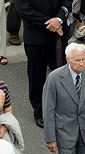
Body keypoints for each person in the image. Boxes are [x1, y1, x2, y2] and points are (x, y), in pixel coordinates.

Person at [16, 0, 69, 129]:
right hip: (36, 37)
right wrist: (51, 23)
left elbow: (67, 1)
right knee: (37, 77)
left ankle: (62, 109)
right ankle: (39, 113)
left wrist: (58, 19)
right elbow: (23, 9)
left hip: (59, 35)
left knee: (62, 74)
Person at [44, 44, 85, 154]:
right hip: (64, 133)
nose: (81, 63)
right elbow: (48, 109)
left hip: (83, 132)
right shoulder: (55, 78)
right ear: (68, 59)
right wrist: (50, 137)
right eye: (77, 60)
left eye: (83, 59)